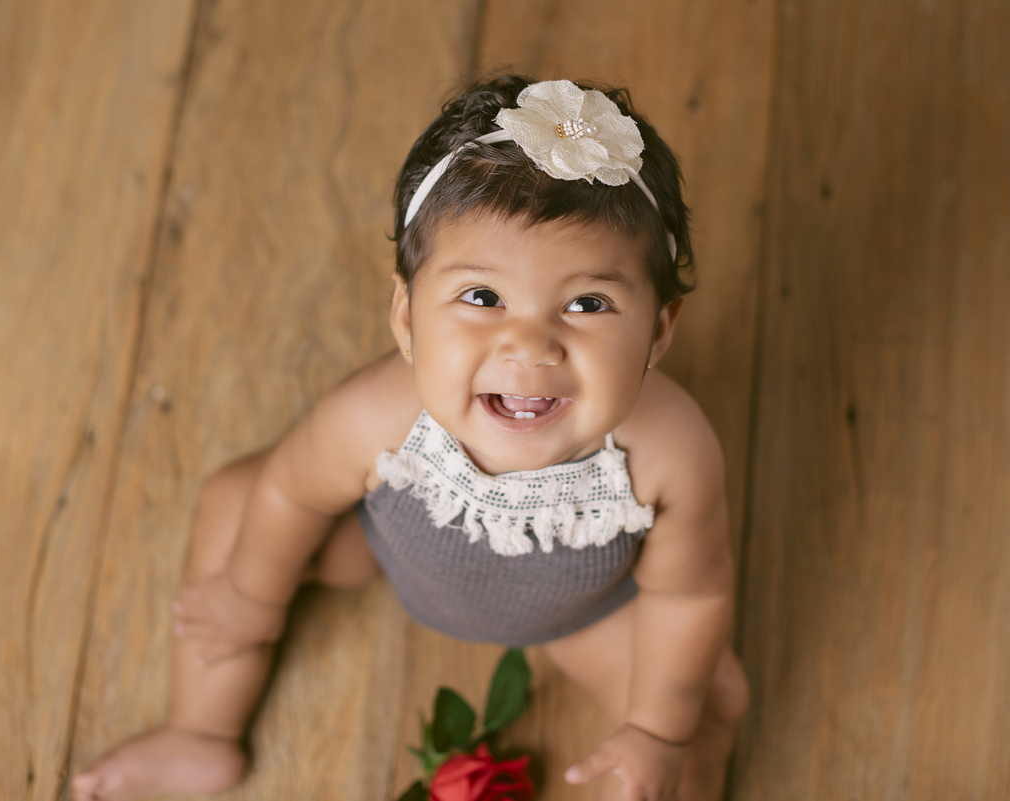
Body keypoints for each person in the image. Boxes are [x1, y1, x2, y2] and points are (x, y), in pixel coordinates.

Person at [73, 74, 749, 801]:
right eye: (482, 297)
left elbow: (689, 596)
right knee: (236, 504)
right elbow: (290, 491)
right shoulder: (378, 413)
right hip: (391, 551)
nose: (530, 345)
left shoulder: (670, 451)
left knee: (711, 699)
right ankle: (199, 732)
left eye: (588, 302)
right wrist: (249, 592)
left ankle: (671, 782)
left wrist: (657, 730)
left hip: (585, 610)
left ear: (658, 329)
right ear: (406, 316)